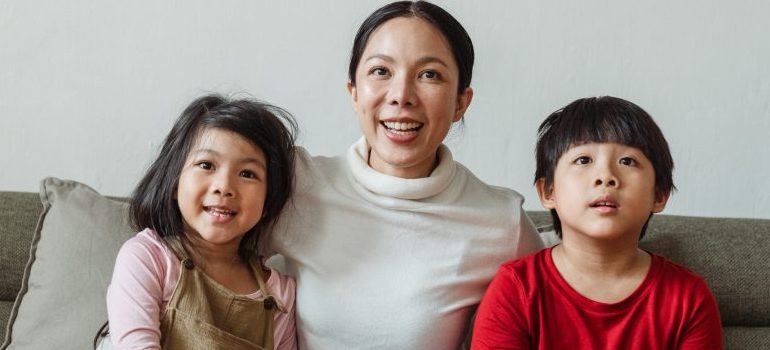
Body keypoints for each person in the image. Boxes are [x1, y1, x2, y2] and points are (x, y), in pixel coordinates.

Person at [259, 1, 543, 349]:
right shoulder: (298, 183)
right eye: (381, 71)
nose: (401, 96)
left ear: (460, 103)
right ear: (354, 92)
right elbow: (199, 253)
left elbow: (558, 312)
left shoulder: (501, 222)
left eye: (430, 75)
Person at [471, 96, 724, 349]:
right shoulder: (515, 289)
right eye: (583, 160)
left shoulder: (689, 298)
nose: (606, 177)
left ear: (659, 195)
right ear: (549, 191)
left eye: (628, 161)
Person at [105, 94, 298, 349]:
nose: (224, 187)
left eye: (247, 174)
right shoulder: (149, 258)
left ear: (268, 200)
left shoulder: (280, 295)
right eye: (206, 165)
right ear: (174, 183)